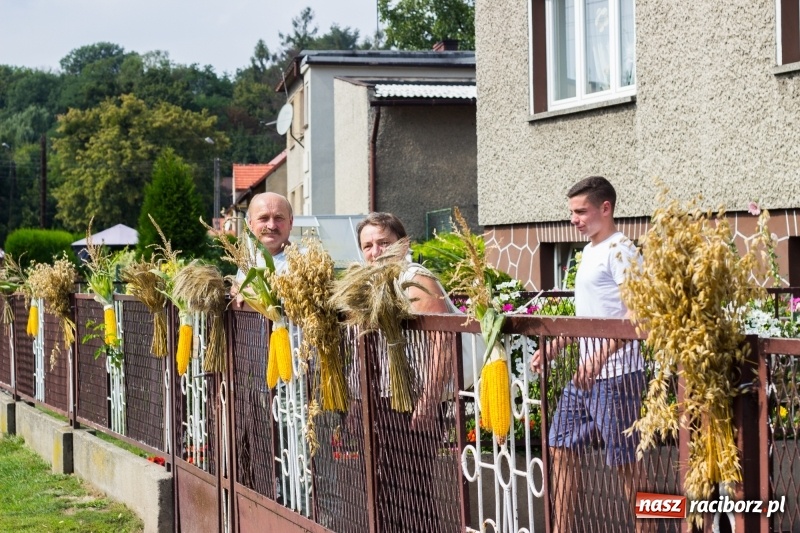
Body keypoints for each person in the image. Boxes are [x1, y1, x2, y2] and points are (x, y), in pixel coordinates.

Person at [530, 176, 650, 533]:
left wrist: (599, 357)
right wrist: (557, 345)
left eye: (581, 211)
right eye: (572, 212)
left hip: (618, 376)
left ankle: (650, 528)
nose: (574, 219)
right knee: (559, 446)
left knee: (627, 464)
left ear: (605, 208)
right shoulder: (588, 251)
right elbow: (589, 316)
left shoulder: (622, 250)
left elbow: (639, 317)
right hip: (587, 376)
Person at [356, 212, 458, 533]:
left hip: (414, 401)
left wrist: (428, 401)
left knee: (413, 490)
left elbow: (442, 341)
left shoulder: (415, 278)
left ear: (402, 244)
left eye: (383, 243)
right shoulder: (373, 283)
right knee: (386, 489)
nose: (376, 252)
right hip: (385, 399)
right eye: (368, 245)